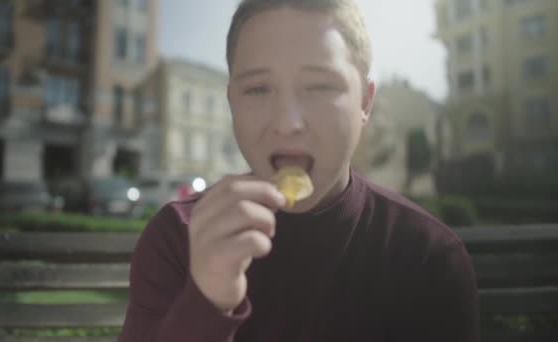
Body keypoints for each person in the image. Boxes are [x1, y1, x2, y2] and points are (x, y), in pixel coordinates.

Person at [119, 0, 479, 341]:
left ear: (365, 102)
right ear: (232, 103)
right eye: (258, 88)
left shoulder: (428, 256)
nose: (287, 123)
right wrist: (206, 301)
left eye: (320, 86)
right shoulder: (177, 238)